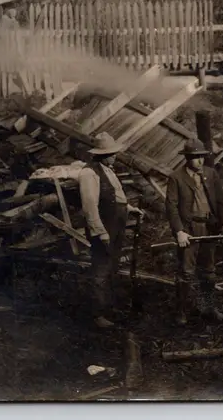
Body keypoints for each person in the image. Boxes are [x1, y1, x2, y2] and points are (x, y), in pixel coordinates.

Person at [79, 132, 145, 329]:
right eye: (111, 153)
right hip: (104, 227)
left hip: (116, 225)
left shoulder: (108, 170)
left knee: (112, 266)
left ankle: (108, 307)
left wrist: (130, 208)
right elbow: (90, 206)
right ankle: (97, 314)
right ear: (100, 154)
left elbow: (115, 197)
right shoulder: (89, 173)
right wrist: (100, 231)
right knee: (100, 268)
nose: (115, 156)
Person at [165, 138, 223, 325]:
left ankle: (209, 308)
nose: (200, 161)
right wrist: (179, 231)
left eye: (202, 157)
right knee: (186, 272)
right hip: (189, 229)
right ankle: (181, 312)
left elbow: (221, 201)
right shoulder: (176, 178)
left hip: (209, 226)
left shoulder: (211, 174)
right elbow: (171, 206)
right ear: (187, 158)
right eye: (195, 158)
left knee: (209, 271)